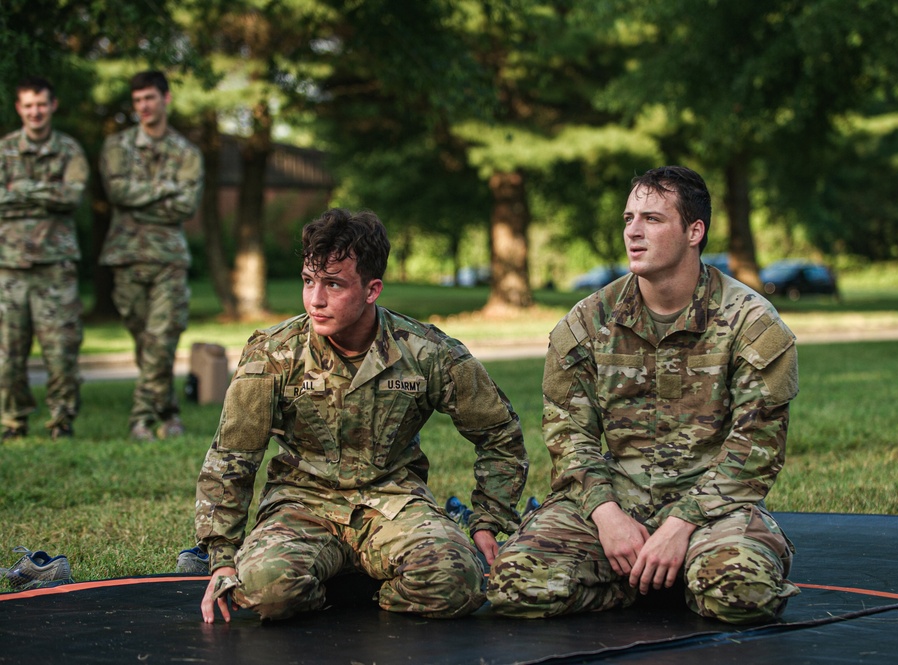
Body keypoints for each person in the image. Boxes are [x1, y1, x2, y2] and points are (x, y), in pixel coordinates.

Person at [487, 166, 799, 624]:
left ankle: (682, 571)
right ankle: (647, 579)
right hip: (616, 501)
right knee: (514, 584)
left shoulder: (752, 324)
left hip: (713, 510)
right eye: (629, 218)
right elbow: (568, 436)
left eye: (652, 219)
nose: (633, 231)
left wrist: (681, 525)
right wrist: (606, 514)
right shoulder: (587, 323)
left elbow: (755, 450)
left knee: (742, 593)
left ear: (695, 231)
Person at [196, 208, 528, 623]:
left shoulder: (427, 351)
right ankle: (345, 580)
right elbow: (232, 456)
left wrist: (487, 520)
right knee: (266, 592)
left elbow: (500, 435)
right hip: (302, 504)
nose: (315, 299)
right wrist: (223, 557)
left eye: (333, 284)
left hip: (393, 503)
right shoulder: (274, 354)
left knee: (456, 582)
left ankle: (360, 585)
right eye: (308, 281)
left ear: (372, 290)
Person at [98, 70, 204, 441]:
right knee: (144, 341)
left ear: (166, 99)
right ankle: (169, 411)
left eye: (150, 98)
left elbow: (186, 206)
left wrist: (139, 199)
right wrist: (165, 190)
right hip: (125, 256)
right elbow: (117, 193)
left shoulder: (187, 153)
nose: (143, 106)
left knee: (162, 336)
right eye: (138, 100)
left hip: (168, 259)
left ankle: (140, 420)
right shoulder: (116, 147)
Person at [0, 77, 88, 440]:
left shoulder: (70, 150)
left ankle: (61, 421)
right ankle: (12, 421)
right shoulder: (4, 150)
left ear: (52, 106)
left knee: (61, 351)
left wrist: (18, 190)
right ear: (19, 108)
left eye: (41, 104)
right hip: (10, 268)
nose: (35, 111)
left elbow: (72, 196)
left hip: (56, 268)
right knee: (7, 354)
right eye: (27, 105)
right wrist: (46, 193)